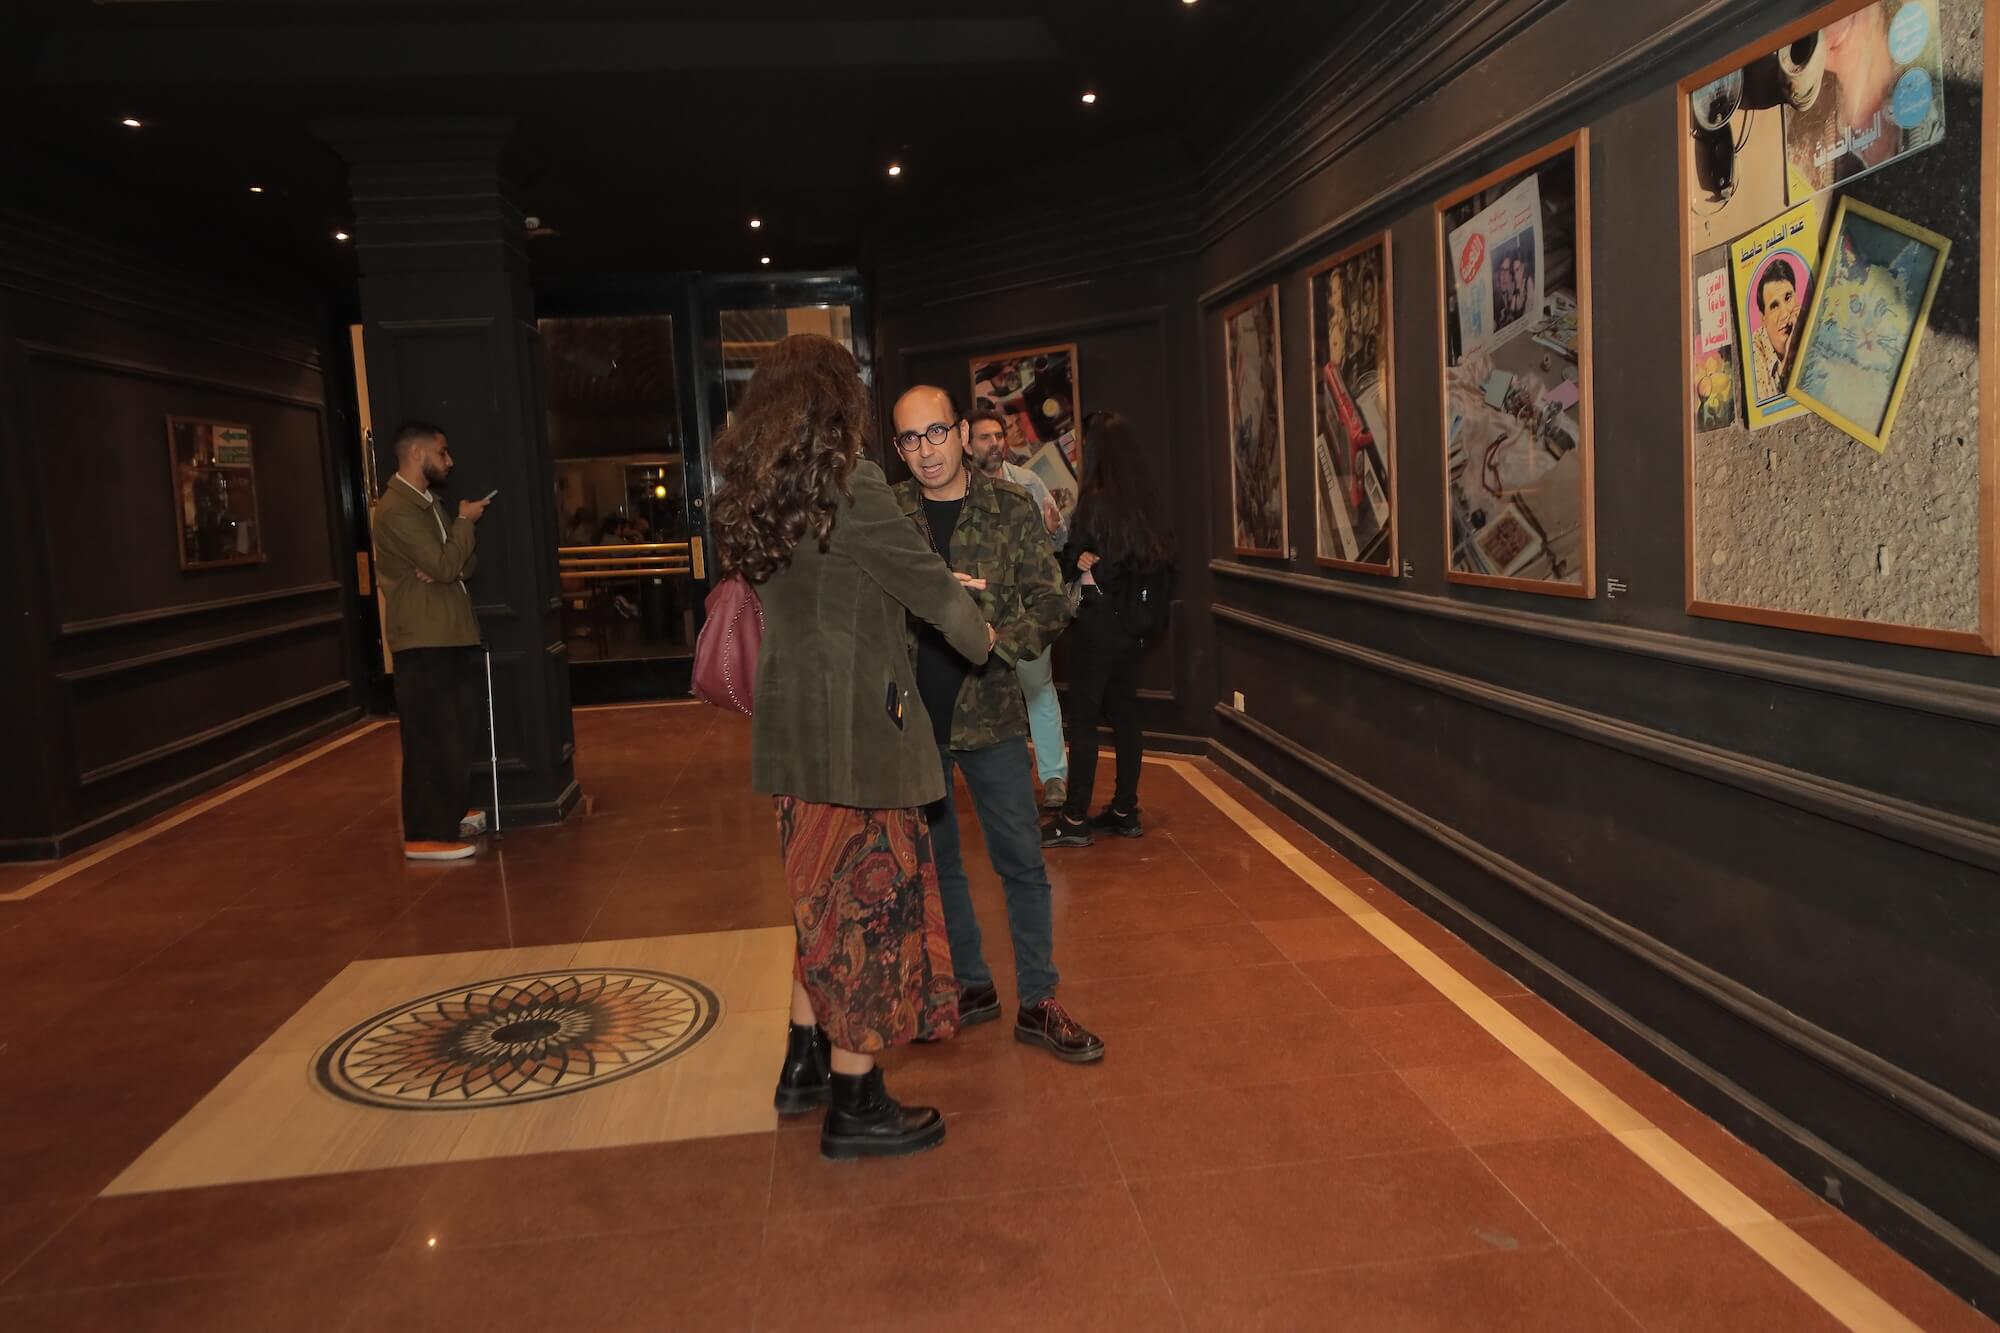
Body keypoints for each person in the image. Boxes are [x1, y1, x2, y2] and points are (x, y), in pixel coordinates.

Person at [718, 336, 994, 1162]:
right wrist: (981, 638)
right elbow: (930, 588)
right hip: (860, 740)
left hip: (791, 733)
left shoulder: (757, 490)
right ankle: (857, 1100)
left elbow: (825, 587)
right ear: (837, 399)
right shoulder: (852, 483)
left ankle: (803, 1061)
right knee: (868, 916)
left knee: (820, 903)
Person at [890, 385, 1104, 1064]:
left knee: (1021, 862)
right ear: (898, 448)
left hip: (992, 713)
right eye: (910, 439)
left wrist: (995, 641)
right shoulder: (888, 516)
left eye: (936, 432)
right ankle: (972, 985)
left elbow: (1051, 602)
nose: (926, 450)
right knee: (940, 862)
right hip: (915, 724)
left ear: (960, 432)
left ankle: (1038, 999)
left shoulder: (1011, 507)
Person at [1043, 410, 1176, 848]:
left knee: (1083, 719)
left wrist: (1079, 562)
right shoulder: (1147, 503)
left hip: (1098, 622)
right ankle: (1124, 810)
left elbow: (1074, 562)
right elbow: (1151, 561)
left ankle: (1074, 817)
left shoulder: (1095, 502)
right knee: (1125, 716)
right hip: (1132, 627)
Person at [370, 420, 492, 861]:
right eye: (443, 452)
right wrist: (461, 526)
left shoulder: (429, 504)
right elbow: (445, 565)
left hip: (449, 631)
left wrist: (448, 556)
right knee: (430, 738)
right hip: (423, 637)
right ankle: (425, 833)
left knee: (454, 734)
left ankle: (447, 814)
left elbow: (464, 564)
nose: (450, 461)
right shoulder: (396, 510)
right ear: (418, 454)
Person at [965, 407, 1070, 811]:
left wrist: (1053, 531)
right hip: (980, 614)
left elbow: (1058, 544)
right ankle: (1006, 777)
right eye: (985, 437)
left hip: (1025, 612)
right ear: (968, 444)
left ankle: (1054, 776)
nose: (995, 444)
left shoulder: (1028, 483)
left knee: (1039, 690)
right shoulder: (960, 490)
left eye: (999, 436)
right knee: (990, 699)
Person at [1750, 258, 1800, 405]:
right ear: (1763, 319)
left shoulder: (1807, 319)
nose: (1784, 314)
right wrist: (1789, 357)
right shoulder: (1755, 350)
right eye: (1774, 306)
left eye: (1788, 298)